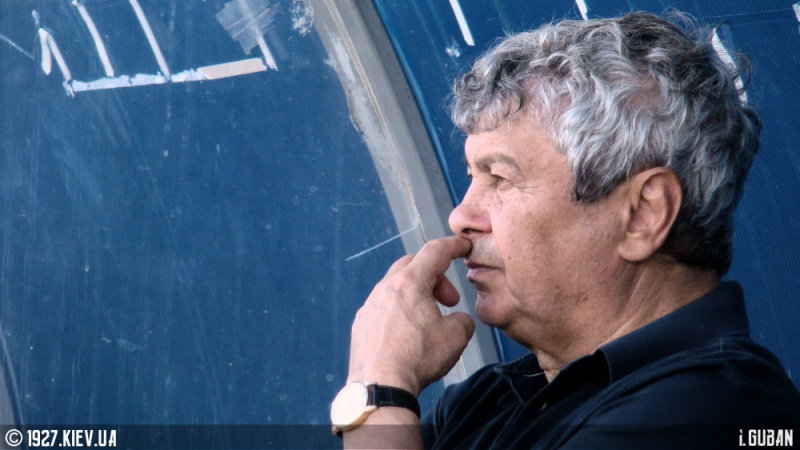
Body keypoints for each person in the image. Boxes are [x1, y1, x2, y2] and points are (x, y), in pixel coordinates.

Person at [329, 11, 800, 449]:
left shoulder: (715, 411)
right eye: (472, 176)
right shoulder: (488, 400)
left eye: (500, 178)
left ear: (643, 215)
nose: (460, 215)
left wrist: (379, 391)